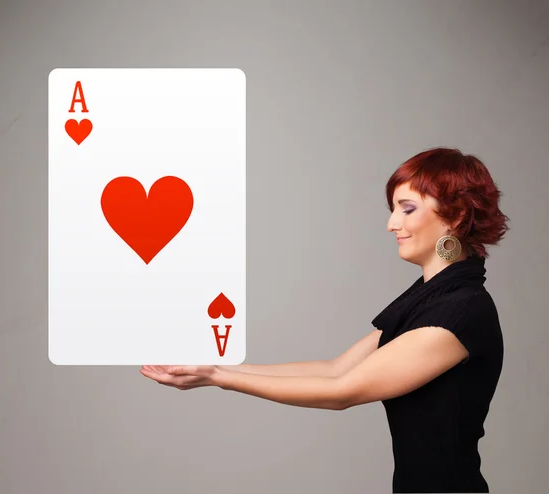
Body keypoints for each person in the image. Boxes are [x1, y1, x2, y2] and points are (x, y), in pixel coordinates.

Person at [140, 147, 509, 493]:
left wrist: (218, 378)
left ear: (456, 216)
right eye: (393, 208)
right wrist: (217, 368)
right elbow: (335, 369)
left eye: (407, 208)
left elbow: (341, 391)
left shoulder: (461, 312)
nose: (391, 224)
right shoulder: (428, 300)